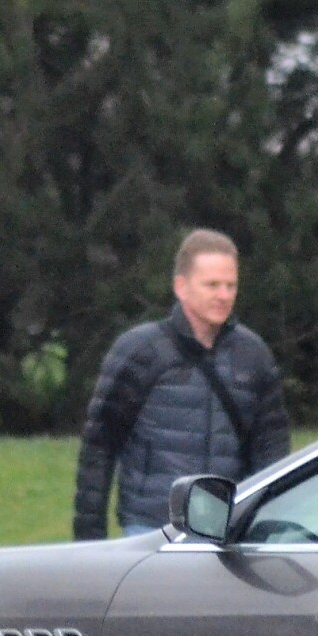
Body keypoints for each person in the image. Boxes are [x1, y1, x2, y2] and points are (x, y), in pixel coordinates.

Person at [74, 228, 290, 540]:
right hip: (151, 528)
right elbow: (99, 446)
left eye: (231, 285)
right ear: (181, 286)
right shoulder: (139, 351)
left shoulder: (253, 355)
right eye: (212, 285)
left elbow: (272, 450)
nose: (224, 295)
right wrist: (88, 538)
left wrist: (266, 524)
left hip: (228, 529)